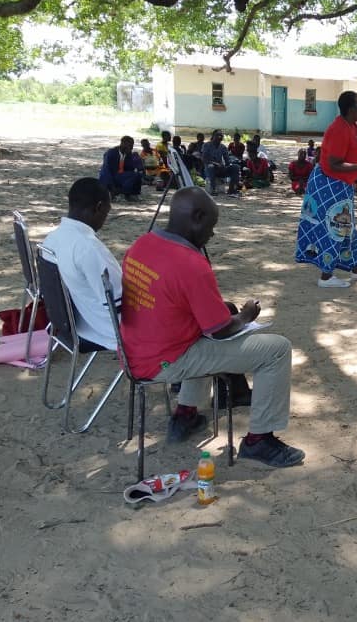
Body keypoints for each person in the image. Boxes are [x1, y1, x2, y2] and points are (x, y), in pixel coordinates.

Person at [120, 187, 304, 466]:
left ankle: (186, 414)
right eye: (211, 226)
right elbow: (219, 329)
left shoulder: (142, 244)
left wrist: (227, 313)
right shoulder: (191, 263)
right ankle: (259, 441)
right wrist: (245, 316)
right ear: (197, 217)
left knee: (205, 331)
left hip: (135, 351)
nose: (212, 234)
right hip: (166, 363)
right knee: (277, 349)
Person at [295, 90, 357, 289]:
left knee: (348, 229)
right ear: (351, 109)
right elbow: (334, 164)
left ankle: (356, 269)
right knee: (335, 227)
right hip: (329, 184)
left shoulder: (352, 126)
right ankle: (325, 277)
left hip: (341, 186)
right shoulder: (338, 129)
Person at [41, 178, 121, 350]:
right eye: (107, 213)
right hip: (107, 330)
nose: (104, 220)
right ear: (99, 207)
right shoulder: (88, 248)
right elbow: (119, 301)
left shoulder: (52, 239)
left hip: (74, 322)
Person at [98, 135, 143, 201]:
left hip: (120, 175)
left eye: (132, 146)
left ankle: (131, 194)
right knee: (133, 176)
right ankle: (115, 192)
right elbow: (106, 171)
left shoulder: (128, 154)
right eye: (130, 145)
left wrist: (136, 161)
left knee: (137, 175)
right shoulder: (111, 153)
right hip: (110, 177)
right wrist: (111, 187)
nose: (132, 148)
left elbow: (130, 169)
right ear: (123, 144)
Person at [202, 130, 241, 197]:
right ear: (213, 136)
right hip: (209, 169)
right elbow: (204, 159)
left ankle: (231, 189)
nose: (220, 136)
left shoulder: (223, 147)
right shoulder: (206, 145)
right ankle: (213, 189)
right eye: (218, 135)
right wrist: (215, 163)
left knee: (236, 167)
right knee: (211, 167)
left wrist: (226, 166)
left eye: (221, 135)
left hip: (220, 169)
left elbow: (227, 161)